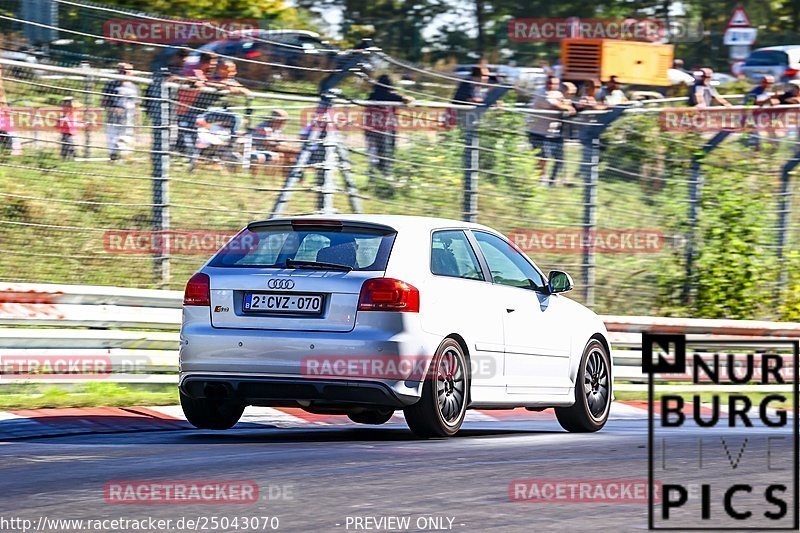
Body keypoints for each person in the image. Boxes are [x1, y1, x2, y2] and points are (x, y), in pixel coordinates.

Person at [526, 76, 576, 186]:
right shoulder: (541, 93)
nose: (551, 85)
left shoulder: (557, 94)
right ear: (545, 82)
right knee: (543, 156)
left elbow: (567, 104)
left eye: (554, 83)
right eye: (549, 83)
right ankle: (540, 179)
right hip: (537, 130)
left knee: (559, 157)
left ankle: (552, 181)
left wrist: (567, 104)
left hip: (552, 132)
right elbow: (555, 106)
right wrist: (566, 106)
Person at [363, 74, 412, 183]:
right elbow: (409, 100)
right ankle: (386, 176)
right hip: (386, 129)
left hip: (371, 128)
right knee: (387, 152)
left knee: (373, 153)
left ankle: (373, 177)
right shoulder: (391, 96)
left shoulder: (372, 95)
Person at [101, 62, 139, 161]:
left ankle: (126, 158)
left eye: (126, 71)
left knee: (127, 137)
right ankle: (113, 157)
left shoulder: (134, 87)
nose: (124, 73)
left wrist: (137, 120)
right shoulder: (111, 85)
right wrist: (113, 109)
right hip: (113, 118)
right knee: (113, 138)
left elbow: (136, 105)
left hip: (128, 117)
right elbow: (104, 102)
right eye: (121, 71)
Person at [250, 109, 298, 179]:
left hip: (272, 150)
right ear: (275, 120)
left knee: (291, 158)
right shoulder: (263, 128)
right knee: (287, 154)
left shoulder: (278, 128)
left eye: (285, 121)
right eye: (283, 120)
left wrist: (289, 149)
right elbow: (268, 145)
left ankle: (287, 179)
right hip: (258, 149)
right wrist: (292, 150)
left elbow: (283, 142)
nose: (284, 123)